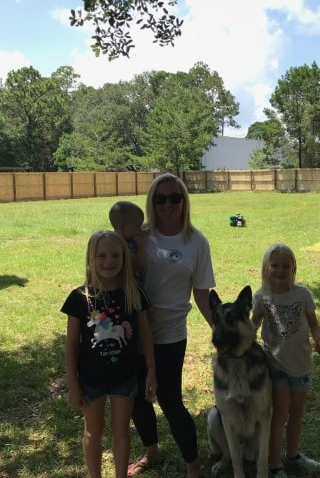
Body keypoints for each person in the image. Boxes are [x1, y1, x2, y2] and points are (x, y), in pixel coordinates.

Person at [128, 173, 216, 478]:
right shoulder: (140, 236)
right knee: (137, 398)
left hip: (170, 334)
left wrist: (217, 327)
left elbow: (202, 293)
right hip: (133, 331)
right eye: (160, 198)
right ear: (152, 202)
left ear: (184, 201)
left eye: (175, 197)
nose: (168, 203)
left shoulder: (196, 242)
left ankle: (192, 465)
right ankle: (151, 450)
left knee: (170, 399)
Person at [62, 230, 157, 478]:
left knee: (121, 432)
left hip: (124, 378)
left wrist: (151, 371)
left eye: (116, 255)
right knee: (93, 432)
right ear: (90, 258)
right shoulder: (79, 298)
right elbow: (72, 345)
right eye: (101, 255)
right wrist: (72, 384)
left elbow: (146, 336)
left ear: (125, 259)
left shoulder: (135, 293)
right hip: (90, 380)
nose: (109, 261)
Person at [251, 243, 320, 478]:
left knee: (296, 414)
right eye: (274, 265)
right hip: (275, 365)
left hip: (301, 365)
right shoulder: (262, 296)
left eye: (286, 265)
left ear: (294, 267)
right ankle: (275, 465)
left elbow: (314, 324)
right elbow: (254, 325)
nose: (280, 270)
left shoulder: (303, 294)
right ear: (266, 268)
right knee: (280, 415)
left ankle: (293, 456)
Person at [109, 201, 146, 281]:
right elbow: (138, 264)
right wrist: (141, 244)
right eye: (137, 226)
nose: (140, 230)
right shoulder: (118, 244)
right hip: (128, 289)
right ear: (121, 227)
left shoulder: (129, 239)